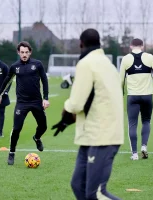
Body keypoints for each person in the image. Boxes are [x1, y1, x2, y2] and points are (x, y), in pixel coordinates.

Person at [52, 28, 124, 200]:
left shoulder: (86, 64)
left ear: (81, 44)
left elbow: (76, 103)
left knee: (96, 194)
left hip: (102, 137)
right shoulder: (110, 65)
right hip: (93, 136)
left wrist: (65, 115)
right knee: (78, 186)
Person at [0, 41, 50, 165]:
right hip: (22, 103)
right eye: (22, 52)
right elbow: (7, 80)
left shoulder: (37, 64)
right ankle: (12, 153)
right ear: (18, 52)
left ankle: (37, 138)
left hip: (37, 101)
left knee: (43, 126)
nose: (24, 54)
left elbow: (44, 80)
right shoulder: (15, 66)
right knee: (16, 129)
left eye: (26, 52)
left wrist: (45, 98)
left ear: (30, 52)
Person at [120, 38, 153, 160]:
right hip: (147, 96)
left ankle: (135, 154)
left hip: (133, 97)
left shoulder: (125, 59)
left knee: (132, 124)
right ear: (142, 46)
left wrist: (120, 93)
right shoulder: (149, 57)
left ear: (131, 46)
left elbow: (120, 79)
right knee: (146, 121)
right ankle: (144, 147)